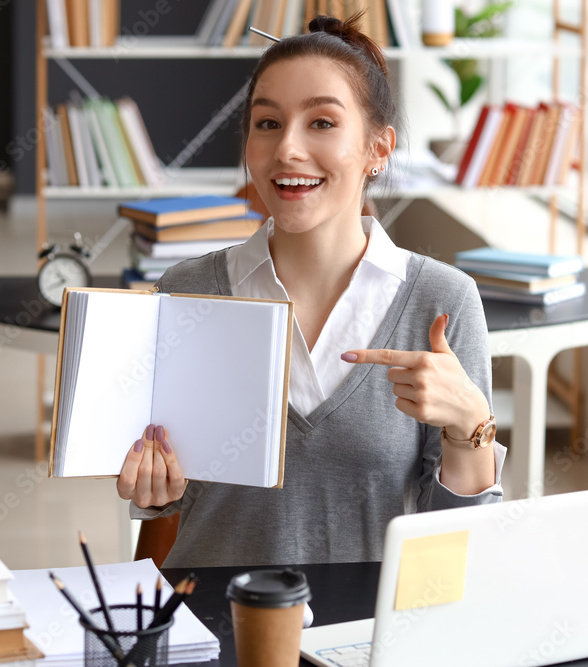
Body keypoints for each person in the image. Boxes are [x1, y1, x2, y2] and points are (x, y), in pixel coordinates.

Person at [116, 13, 506, 568]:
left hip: (368, 637)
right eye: (268, 123)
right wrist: (155, 488)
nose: (288, 150)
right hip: (217, 625)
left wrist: (471, 427)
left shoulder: (444, 300)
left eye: (322, 123)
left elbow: (457, 540)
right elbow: (173, 502)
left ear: (378, 148)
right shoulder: (187, 292)